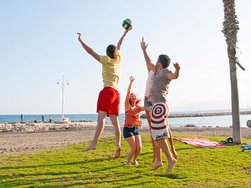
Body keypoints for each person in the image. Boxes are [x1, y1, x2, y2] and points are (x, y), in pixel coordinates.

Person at [77, 28, 131, 159]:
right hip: (116, 93)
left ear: (107, 54)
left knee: (101, 117)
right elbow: (120, 44)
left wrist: (81, 40)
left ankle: (94, 143)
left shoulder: (105, 60)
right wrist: (125, 32)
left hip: (107, 91)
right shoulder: (118, 58)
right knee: (114, 120)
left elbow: (90, 52)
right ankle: (118, 144)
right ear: (115, 53)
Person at [140, 37, 180, 173]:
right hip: (155, 106)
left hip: (160, 106)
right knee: (157, 135)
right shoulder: (156, 72)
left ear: (161, 63)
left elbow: (174, 76)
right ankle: (161, 160)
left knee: (160, 135)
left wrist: (178, 70)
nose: (156, 62)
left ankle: (170, 159)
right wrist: (144, 50)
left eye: (158, 60)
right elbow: (148, 61)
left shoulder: (165, 72)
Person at [123, 76, 145, 166]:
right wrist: (131, 82)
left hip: (135, 129)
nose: (133, 97)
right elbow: (128, 92)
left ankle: (134, 160)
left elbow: (148, 107)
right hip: (127, 129)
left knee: (139, 147)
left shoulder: (138, 108)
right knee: (133, 147)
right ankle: (127, 162)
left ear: (136, 99)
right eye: (131, 96)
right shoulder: (127, 105)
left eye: (134, 96)